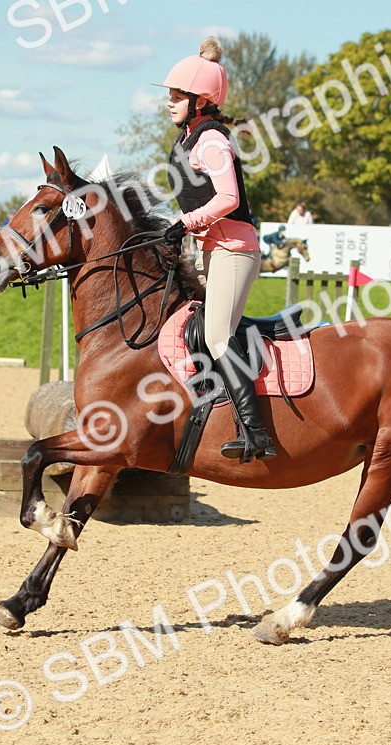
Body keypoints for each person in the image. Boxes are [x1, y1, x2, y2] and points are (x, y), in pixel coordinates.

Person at [157, 36, 275, 462]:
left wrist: (184, 223)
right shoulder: (187, 140)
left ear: (200, 100)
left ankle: (256, 433)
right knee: (186, 324)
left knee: (218, 335)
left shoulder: (211, 141)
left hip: (235, 251)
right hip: (212, 251)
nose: (169, 103)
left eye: (176, 97)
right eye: (169, 96)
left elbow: (226, 198)